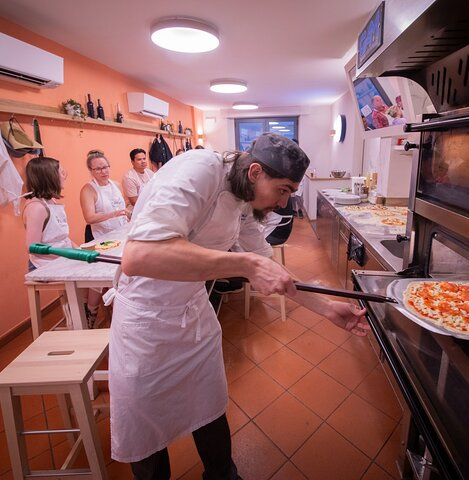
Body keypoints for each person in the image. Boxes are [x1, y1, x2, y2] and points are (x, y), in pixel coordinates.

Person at [109, 133, 369, 479]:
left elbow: (267, 264)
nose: (282, 203)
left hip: (194, 310)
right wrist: (244, 265)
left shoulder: (244, 197)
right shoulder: (199, 170)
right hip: (146, 317)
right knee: (144, 424)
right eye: (283, 190)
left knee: (209, 405)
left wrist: (326, 308)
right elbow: (139, 256)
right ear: (256, 171)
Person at [23, 156, 75, 271]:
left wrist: (80, 250)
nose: (64, 177)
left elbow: (61, 237)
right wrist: (69, 255)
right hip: (45, 265)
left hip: (63, 259)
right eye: (61, 173)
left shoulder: (51, 201)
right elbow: (32, 247)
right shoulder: (36, 208)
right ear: (50, 177)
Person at [80, 149, 129, 239]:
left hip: (121, 231)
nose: (103, 171)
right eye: (98, 169)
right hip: (102, 236)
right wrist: (113, 214)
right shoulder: (88, 190)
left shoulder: (116, 185)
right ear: (91, 170)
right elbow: (89, 218)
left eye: (105, 167)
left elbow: (122, 206)